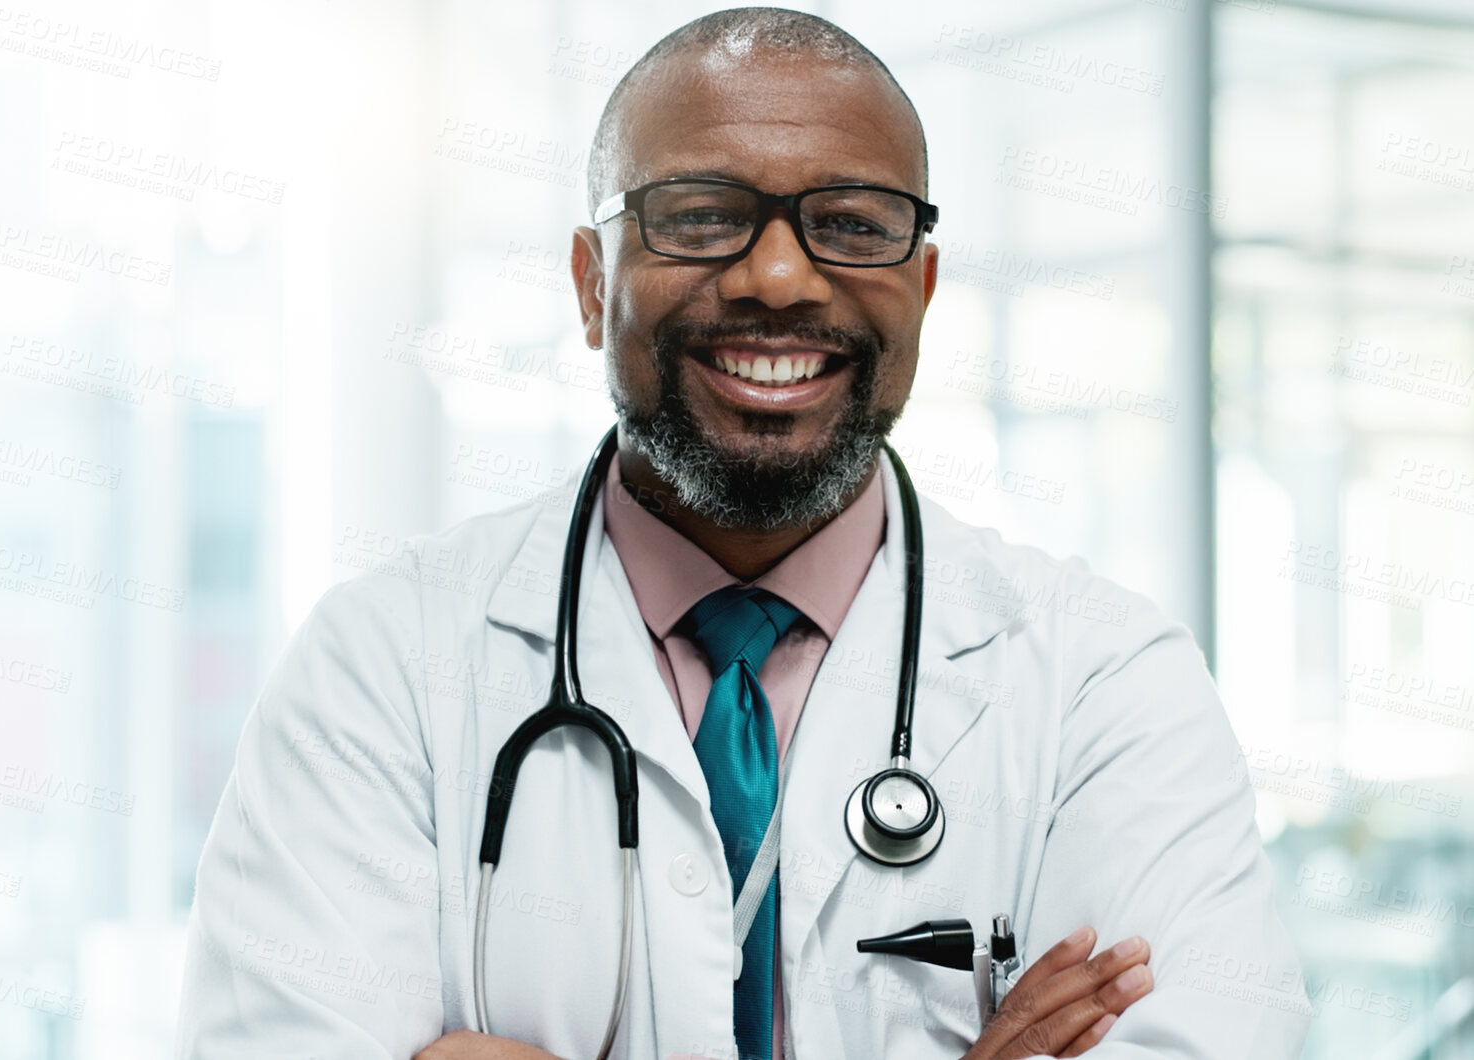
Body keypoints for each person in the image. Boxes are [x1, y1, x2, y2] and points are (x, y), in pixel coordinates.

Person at [175, 8, 1311, 1059]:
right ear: (588, 283)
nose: (778, 277)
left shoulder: (1103, 683)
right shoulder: (380, 666)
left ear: (919, 288)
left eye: (851, 225)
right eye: (702, 216)